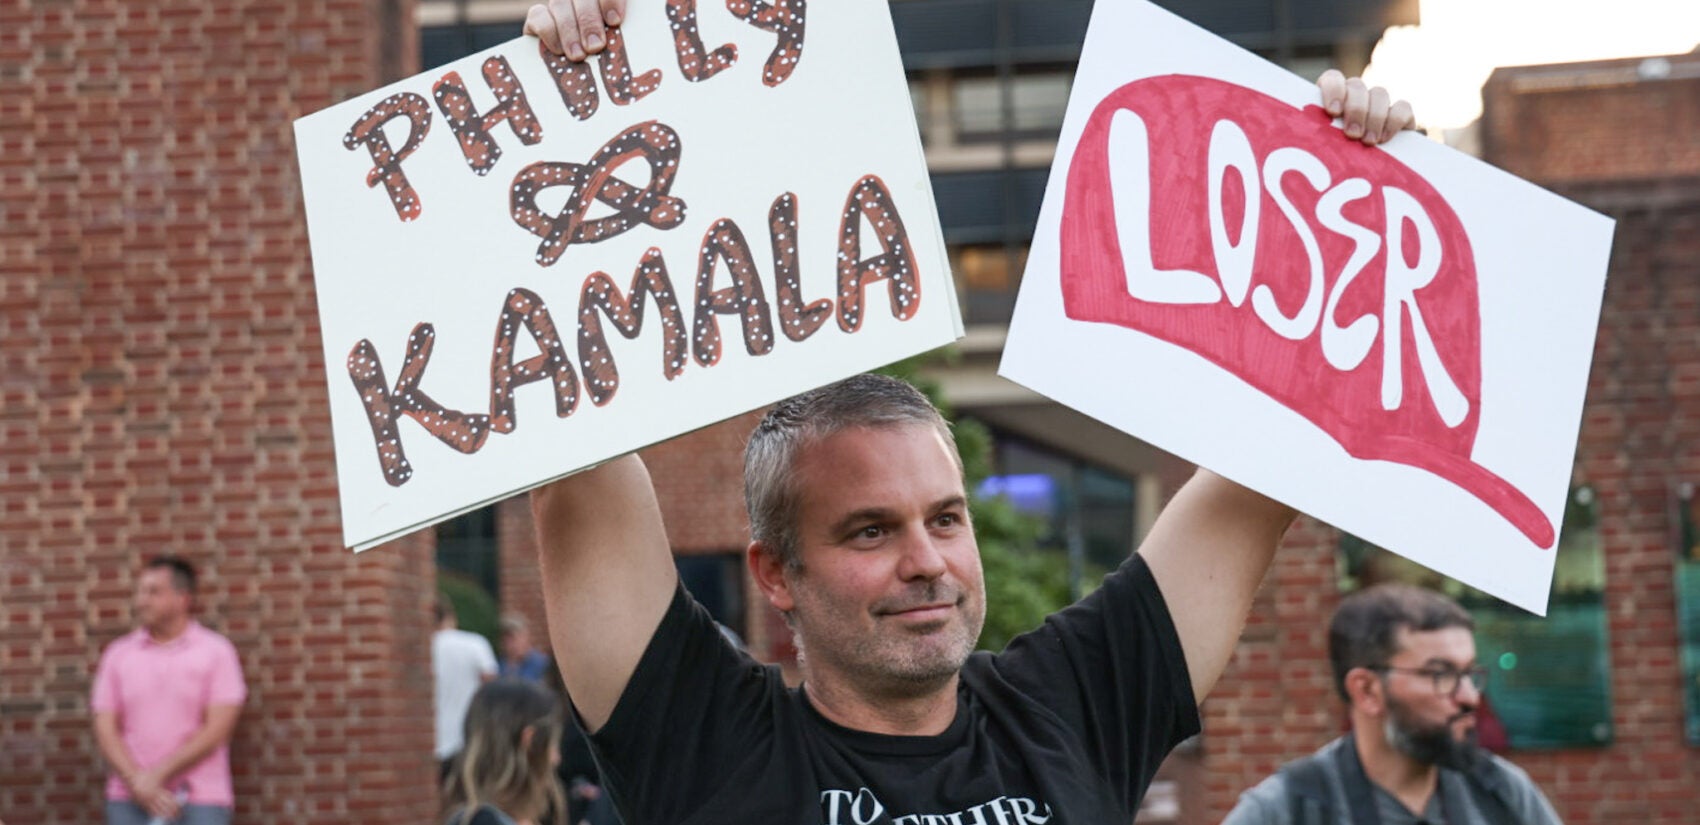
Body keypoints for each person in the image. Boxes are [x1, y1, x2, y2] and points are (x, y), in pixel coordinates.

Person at [522, 4, 1417, 822]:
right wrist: (574, 90)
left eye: (945, 518)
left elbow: (1278, 445)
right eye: (869, 532)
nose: (928, 562)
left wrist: (1345, 182)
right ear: (775, 572)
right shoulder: (705, 737)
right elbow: (571, 442)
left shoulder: (1070, 703)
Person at [1222, 584, 1564, 825]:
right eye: (1440, 673)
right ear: (1367, 690)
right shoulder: (1288, 808)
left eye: (1469, 673)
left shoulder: (1501, 792)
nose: (1470, 697)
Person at [92, 556, 246, 825]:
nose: (142, 601)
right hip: (128, 798)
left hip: (200, 798)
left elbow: (217, 730)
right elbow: (105, 727)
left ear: (183, 598)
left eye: (153, 592)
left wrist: (155, 777)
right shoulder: (118, 654)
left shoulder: (216, 652)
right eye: (140, 592)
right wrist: (137, 782)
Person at [442, 680, 569, 825]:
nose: (556, 758)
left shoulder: (471, 815)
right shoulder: (483, 821)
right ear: (529, 741)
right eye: (552, 745)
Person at [434, 598, 500, 772]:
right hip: (470, 739)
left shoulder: (424, 648)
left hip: (433, 742)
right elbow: (491, 685)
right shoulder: (474, 644)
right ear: (450, 616)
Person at [499, 614, 553, 683]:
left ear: (526, 637)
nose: (509, 642)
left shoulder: (541, 663)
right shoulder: (499, 664)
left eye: (513, 637)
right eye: (506, 638)